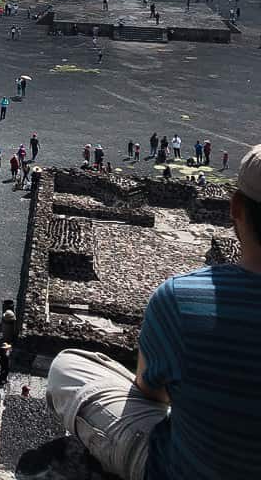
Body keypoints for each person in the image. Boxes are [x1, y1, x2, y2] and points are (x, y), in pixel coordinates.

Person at [48, 143, 261, 480]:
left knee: (67, 366)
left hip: (179, 468)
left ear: (235, 207)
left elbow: (150, 393)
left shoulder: (181, 298)